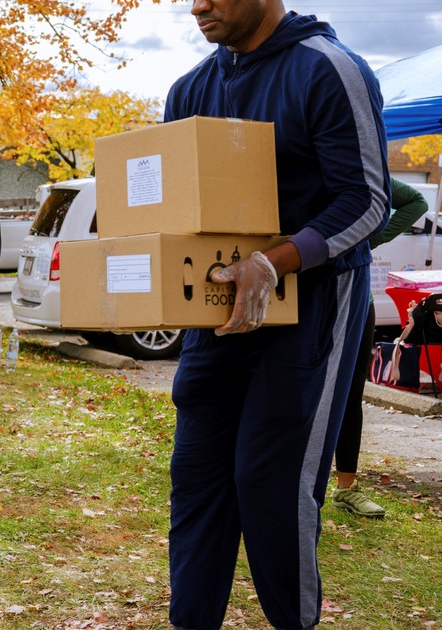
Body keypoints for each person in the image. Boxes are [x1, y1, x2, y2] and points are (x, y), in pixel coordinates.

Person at [164, 2, 390, 628]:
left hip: (315, 308)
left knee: (271, 486)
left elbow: (367, 201)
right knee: (198, 478)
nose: (197, 5)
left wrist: (277, 261)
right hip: (215, 315)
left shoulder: (329, 69)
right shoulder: (190, 88)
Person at [335, 179, 428, 518]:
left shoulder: (362, 168)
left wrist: (372, 238)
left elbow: (416, 201)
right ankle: (293, 481)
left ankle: (347, 488)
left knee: (349, 393)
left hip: (359, 298)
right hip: (309, 296)